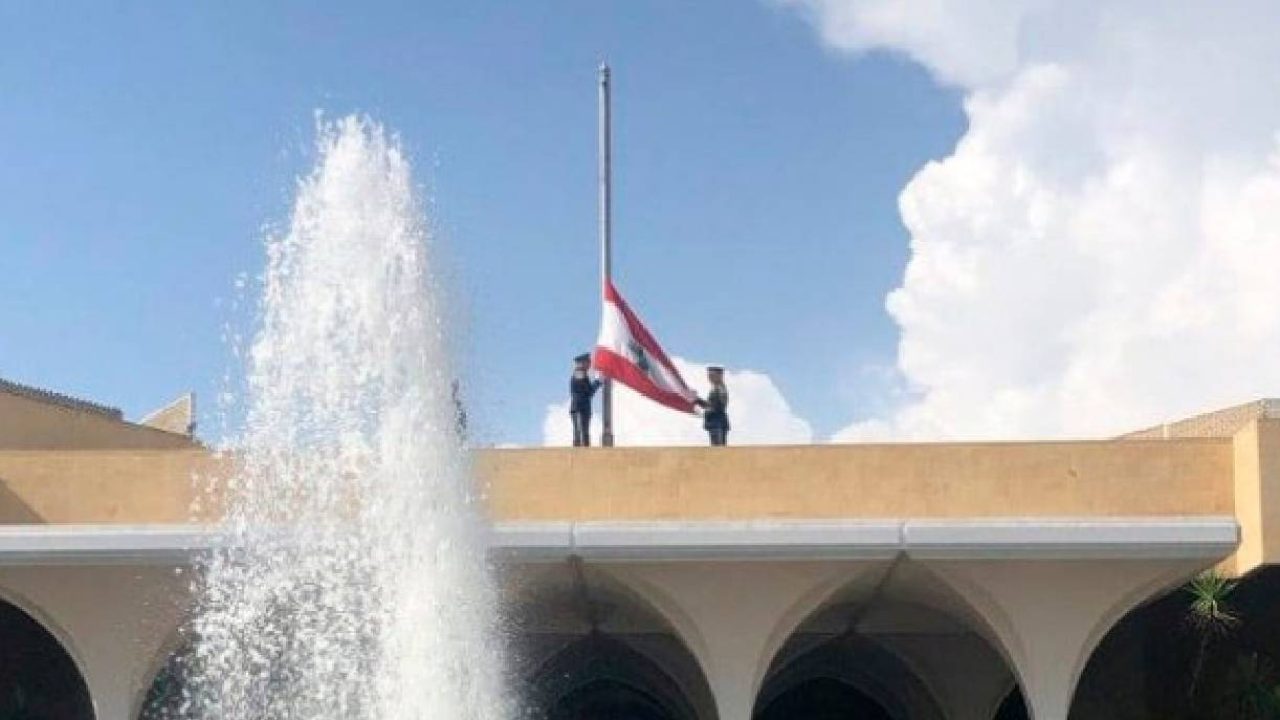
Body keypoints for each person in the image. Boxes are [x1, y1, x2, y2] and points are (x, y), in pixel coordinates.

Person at [569, 353, 602, 447]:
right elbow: (588, 392)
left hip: (582, 408)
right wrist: (598, 381)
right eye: (588, 362)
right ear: (582, 363)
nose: (590, 364)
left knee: (583, 433)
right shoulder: (579, 373)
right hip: (580, 408)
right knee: (581, 435)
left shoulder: (582, 374)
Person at [695, 366, 730, 446]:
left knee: (718, 450)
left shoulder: (720, 389)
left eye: (712, 375)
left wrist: (705, 412)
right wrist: (696, 399)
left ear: (719, 376)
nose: (709, 378)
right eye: (709, 376)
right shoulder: (716, 388)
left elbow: (718, 407)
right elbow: (710, 405)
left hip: (717, 423)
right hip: (715, 423)